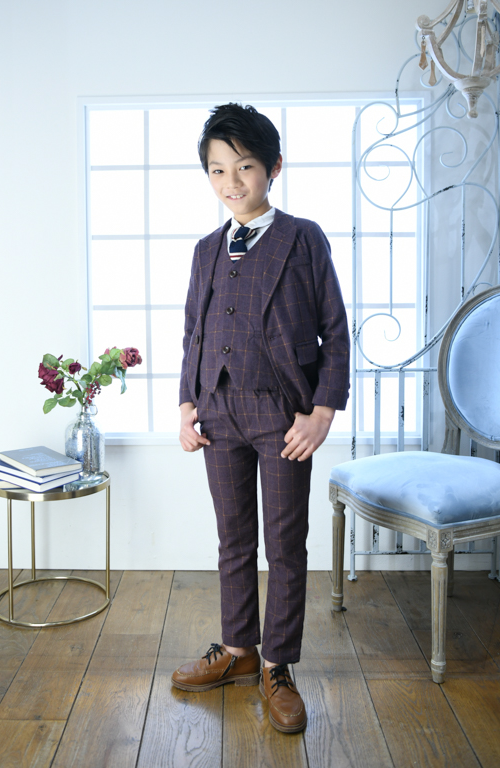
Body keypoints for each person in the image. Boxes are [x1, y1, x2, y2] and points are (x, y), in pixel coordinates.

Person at [172, 103, 350, 733]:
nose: (231, 182)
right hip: (218, 412)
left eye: (244, 167)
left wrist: (322, 411)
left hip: (283, 416)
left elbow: (334, 330)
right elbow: (193, 332)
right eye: (218, 170)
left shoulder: (303, 238)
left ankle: (277, 664)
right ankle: (238, 650)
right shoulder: (205, 250)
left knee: (284, 541)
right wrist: (187, 404)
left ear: (273, 167)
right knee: (233, 537)